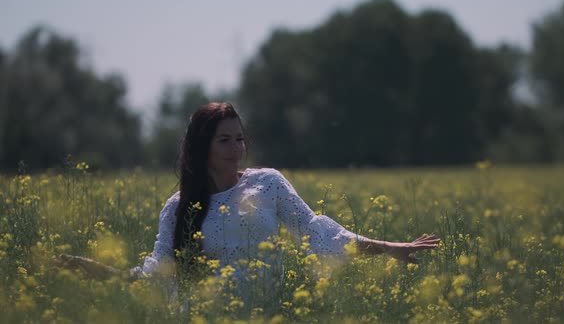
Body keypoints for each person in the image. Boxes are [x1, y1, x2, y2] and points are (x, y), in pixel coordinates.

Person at [57, 102, 440, 295]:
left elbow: (319, 233)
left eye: (239, 138)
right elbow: (155, 275)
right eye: (224, 140)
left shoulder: (268, 184)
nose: (236, 148)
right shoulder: (178, 208)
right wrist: (94, 270)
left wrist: (390, 247)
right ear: (201, 146)